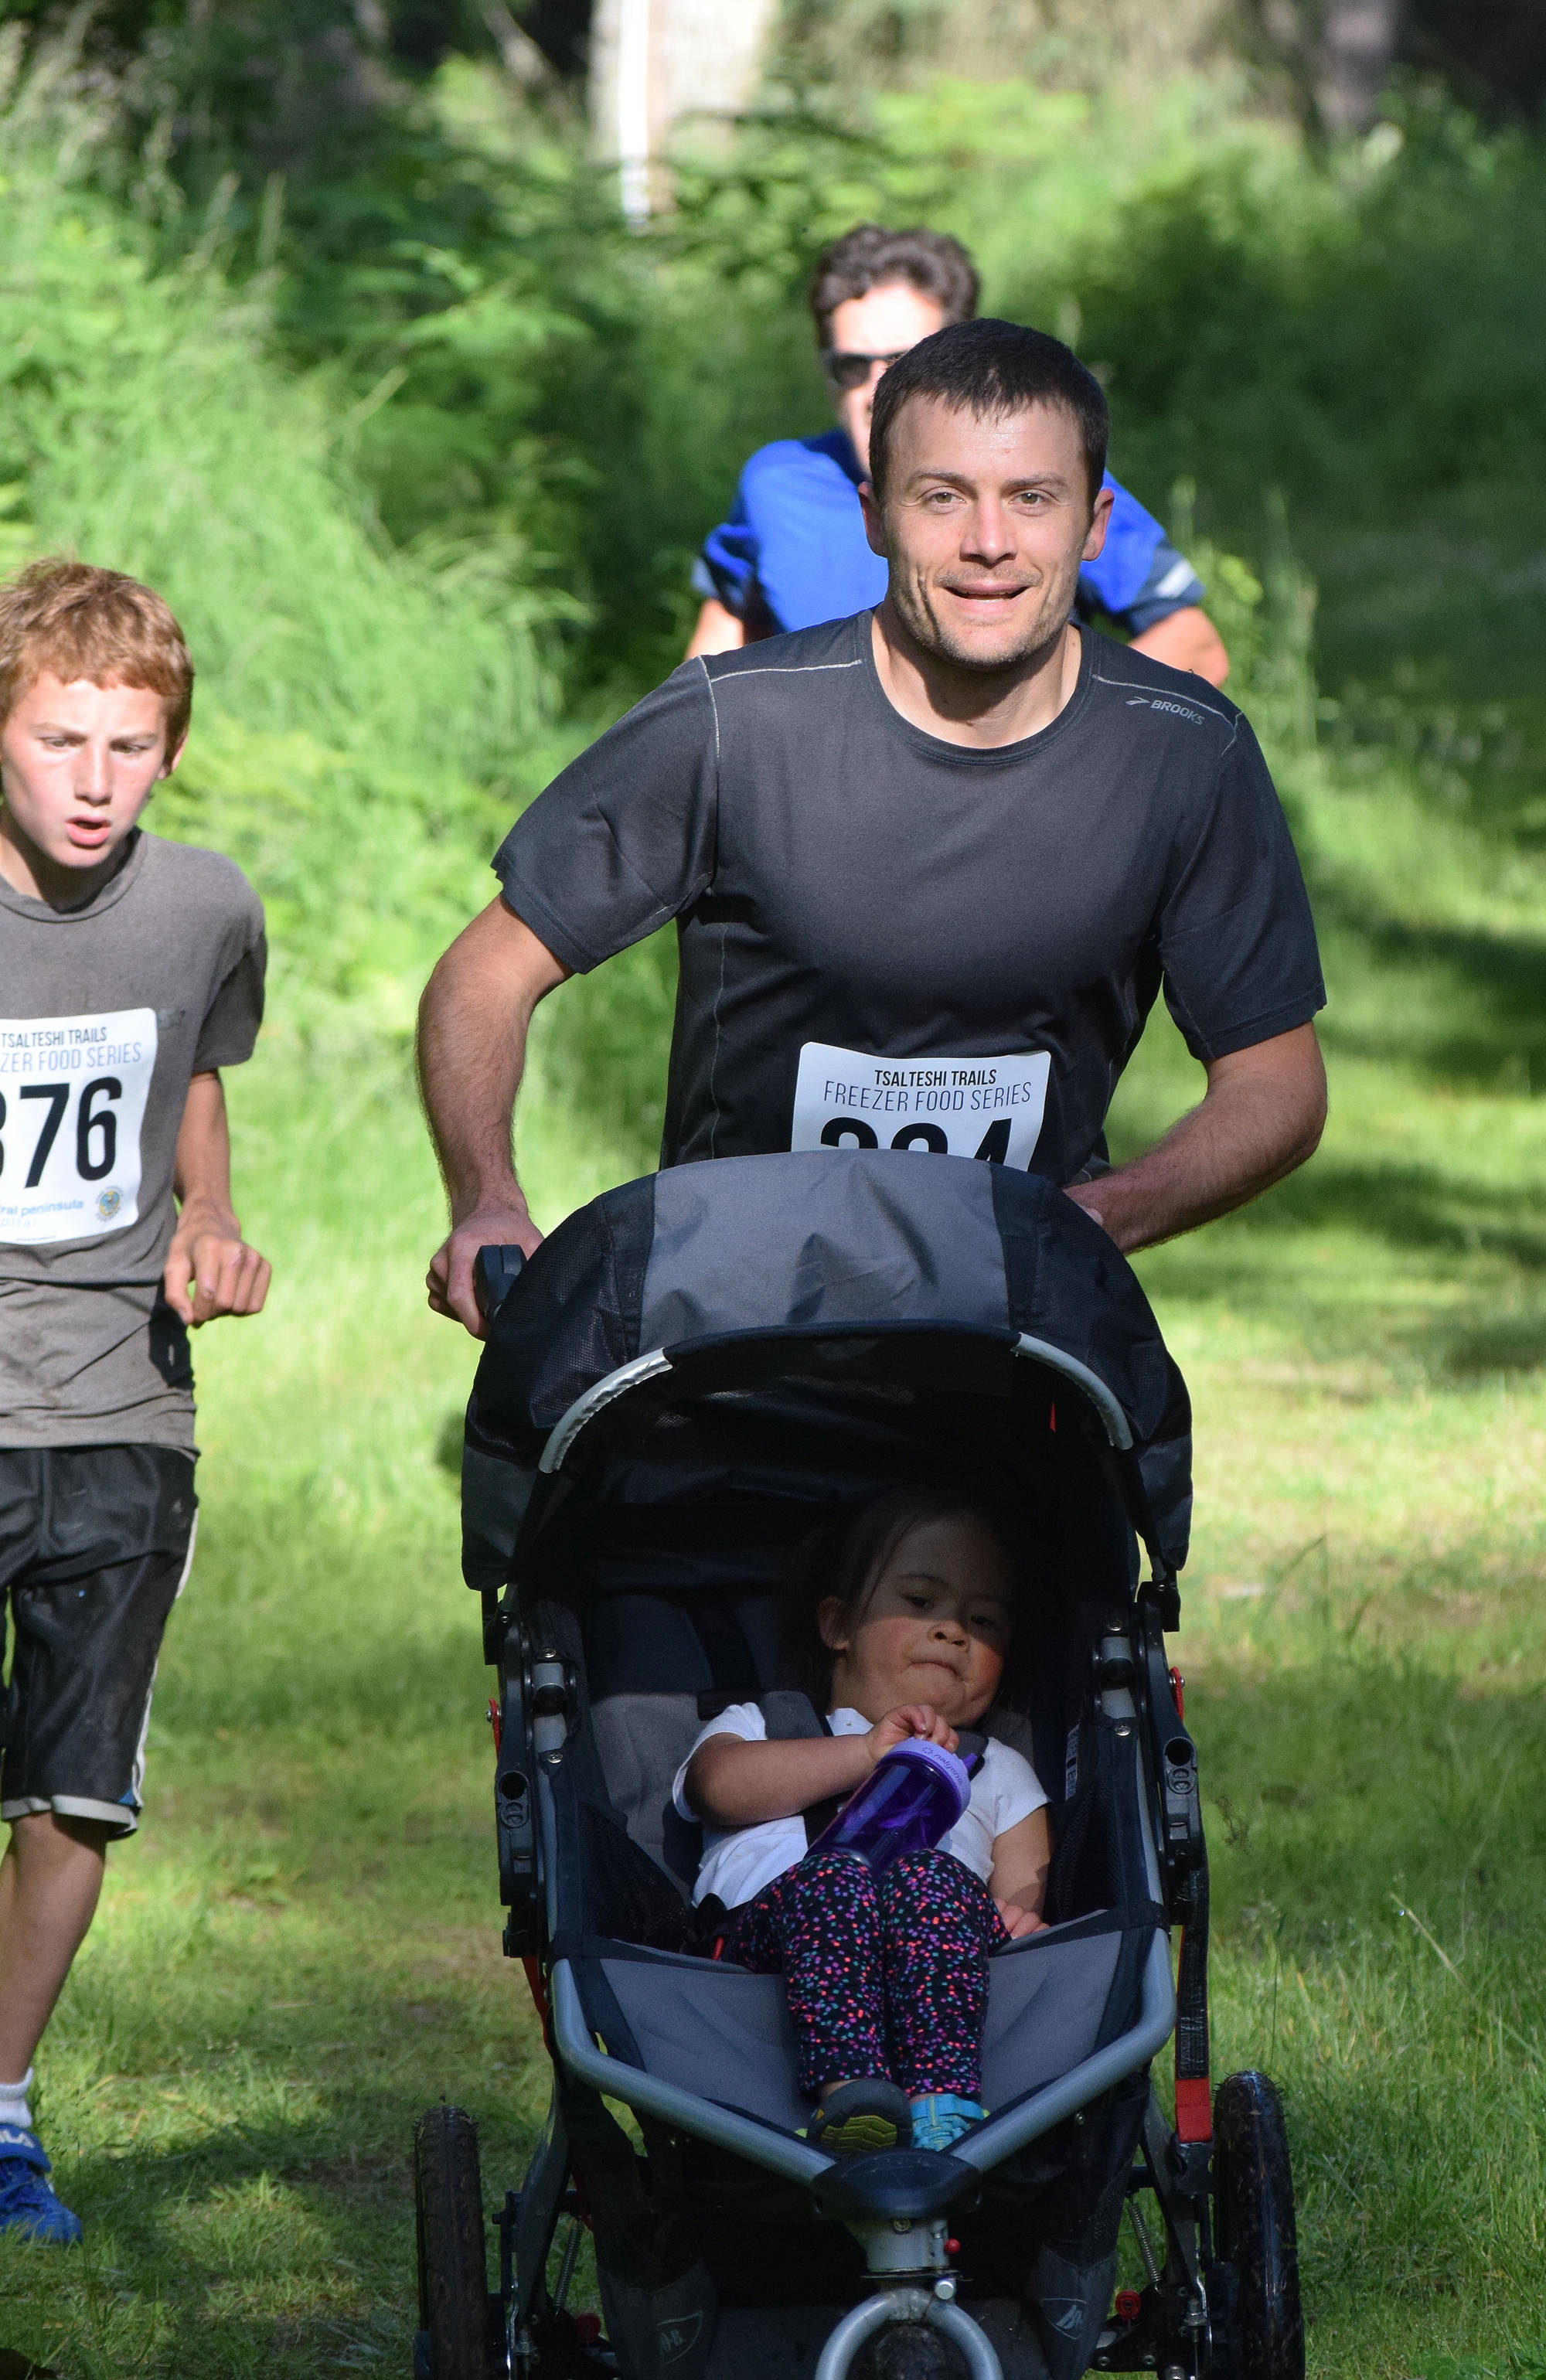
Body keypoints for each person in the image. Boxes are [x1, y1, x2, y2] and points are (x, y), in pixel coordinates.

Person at [417, 315, 1326, 1331]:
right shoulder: (732, 724)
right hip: (736, 1319)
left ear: (1097, 522)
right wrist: (487, 1201)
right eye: (943, 498)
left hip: (1023, 1320)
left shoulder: (1184, 752)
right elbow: (485, 973)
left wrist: (1088, 1222)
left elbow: (1276, 1082)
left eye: (1033, 499)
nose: (989, 542)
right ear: (874, 515)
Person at [0, 560, 270, 2244]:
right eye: (56, 740)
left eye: (130, 742)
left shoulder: (206, 909)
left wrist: (217, 1225)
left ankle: (4, 2108)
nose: (93, 779)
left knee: (76, 1787)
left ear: (170, 748)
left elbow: (194, 1082)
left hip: (120, 1411)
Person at [685, 223, 1230, 687]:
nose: (877, 389)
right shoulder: (776, 484)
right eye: (852, 366)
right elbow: (723, 640)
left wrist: (1058, 752)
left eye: (905, 361)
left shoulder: (1040, 483)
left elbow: (1196, 646)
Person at [677, 1490, 1049, 2155]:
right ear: (838, 1625)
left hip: (932, 1947)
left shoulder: (998, 1766)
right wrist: (867, 1753)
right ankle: (853, 2094)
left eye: (984, 1619)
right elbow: (717, 1789)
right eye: (919, 1602)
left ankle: (943, 2104)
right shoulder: (766, 1726)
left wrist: (1019, 1913)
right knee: (835, 1881)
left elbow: (1023, 1884)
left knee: (933, 1878)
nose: (954, 1631)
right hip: (764, 1949)